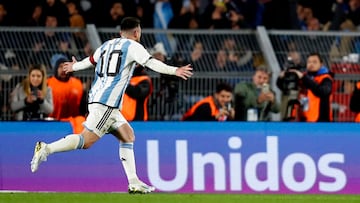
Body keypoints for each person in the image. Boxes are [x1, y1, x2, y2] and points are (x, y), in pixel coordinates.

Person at [30, 17, 193, 194]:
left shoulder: (107, 45)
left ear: (120, 32)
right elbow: (151, 63)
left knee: (128, 135)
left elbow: (90, 60)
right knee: (85, 141)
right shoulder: (134, 46)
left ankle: (134, 182)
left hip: (101, 100)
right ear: (137, 32)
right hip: (106, 104)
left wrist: (74, 67)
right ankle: (46, 148)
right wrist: (174, 70)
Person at [277, 52, 334, 122]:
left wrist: (304, 78)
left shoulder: (326, 78)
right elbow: (284, 88)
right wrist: (281, 78)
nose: (311, 64)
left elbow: (322, 91)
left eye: (315, 62)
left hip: (320, 121)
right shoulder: (303, 77)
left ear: (321, 64)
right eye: (309, 62)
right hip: (302, 119)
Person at [47, 54, 85, 133]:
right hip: (52, 120)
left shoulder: (77, 84)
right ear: (56, 69)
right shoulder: (48, 83)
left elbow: (83, 105)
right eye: (60, 67)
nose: (63, 69)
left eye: (65, 66)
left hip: (74, 120)